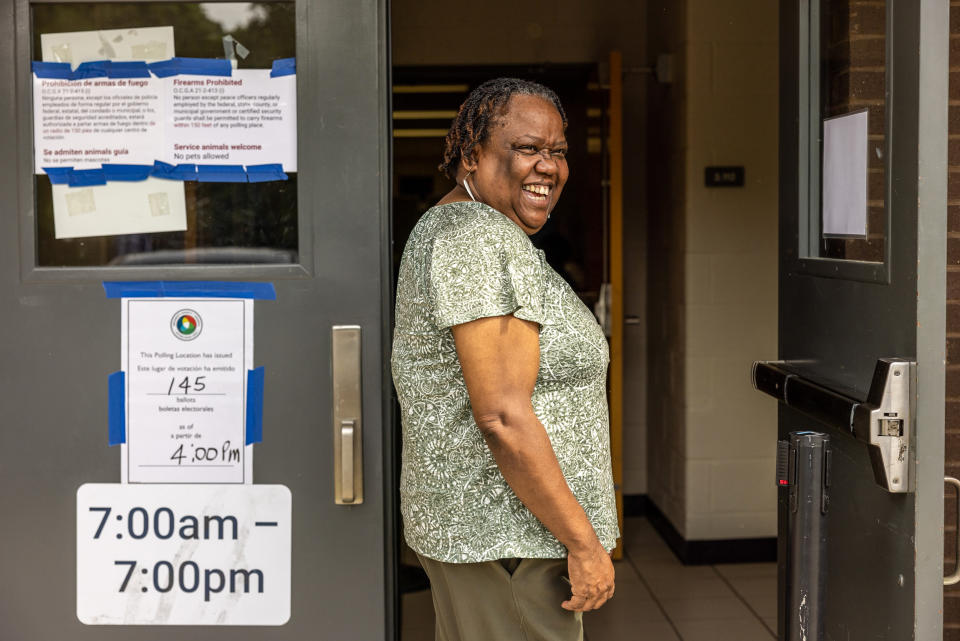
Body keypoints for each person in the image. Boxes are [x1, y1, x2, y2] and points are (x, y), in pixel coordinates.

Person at [391, 78, 619, 641]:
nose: (548, 166)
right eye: (527, 148)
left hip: (499, 538)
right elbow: (502, 415)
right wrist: (583, 543)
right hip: (508, 540)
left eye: (558, 151)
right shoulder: (476, 238)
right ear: (471, 155)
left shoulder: (475, 231)